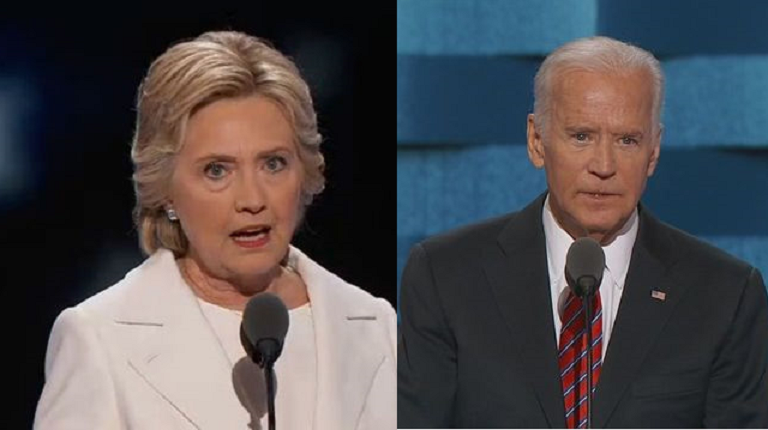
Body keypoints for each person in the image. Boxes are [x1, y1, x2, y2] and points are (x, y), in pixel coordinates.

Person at [397, 36, 768, 428]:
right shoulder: (446, 275)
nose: (604, 165)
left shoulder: (726, 295)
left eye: (627, 140)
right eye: (581, 136)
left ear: (654, 151)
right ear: (536, 141)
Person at [34, 30, 396, 429]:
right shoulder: (98, 340)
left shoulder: (376, 327)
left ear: (306, 171)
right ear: (166, 188)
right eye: (217, 170)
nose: (252, 198)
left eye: (273, 164)